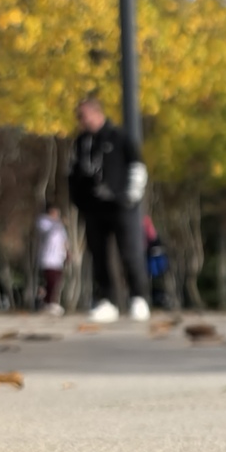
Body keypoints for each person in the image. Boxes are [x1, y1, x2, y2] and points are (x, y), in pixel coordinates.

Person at [67, 94, 150, 322]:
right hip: (94, 207)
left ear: (96, 112)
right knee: (99, 255)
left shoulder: (120, 137)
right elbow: (73, 173)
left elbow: (137, 166)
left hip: (121, 206)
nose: (81, 121)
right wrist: (78, 199)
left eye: (83, 116)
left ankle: (138, 298)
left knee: (130, 252)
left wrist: (130, 196)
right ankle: (108, 300)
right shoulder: (82, 142)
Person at [35, 205, 70, 313]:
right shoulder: (43, 221)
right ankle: (47, 303)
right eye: (54, 212)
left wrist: (68, 252)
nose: (56, 215)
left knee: (56, 282)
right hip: (47, 258)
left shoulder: (60, 226)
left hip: (58, 259)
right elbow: (47, 232)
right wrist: (58, 223)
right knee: (50, 281)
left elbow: (64, 240)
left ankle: (50, 302)